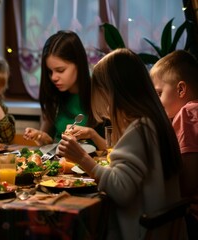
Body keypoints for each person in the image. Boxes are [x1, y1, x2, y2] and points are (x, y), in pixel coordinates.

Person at [57, 48, 185, 239]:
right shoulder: (156, 122)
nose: (106, 107)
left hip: (140, 233)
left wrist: (82, 158)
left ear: (115, 92)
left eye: (104, 95)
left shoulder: (140, 129)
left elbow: (121, 190)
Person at [23, 30, 109, 150]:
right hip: (59, 164)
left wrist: (92, 134)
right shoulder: (55, 96)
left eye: (60, 70)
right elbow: (49, 144)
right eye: (50, 71)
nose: (53, 77)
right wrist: (40, 136)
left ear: (79, 64)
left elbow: (113, 150)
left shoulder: (101, 95)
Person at [150, 50, 198, 240]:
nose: (156, 101)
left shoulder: (187, 114)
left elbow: (187, 184)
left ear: (180, 89)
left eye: (159, 93)